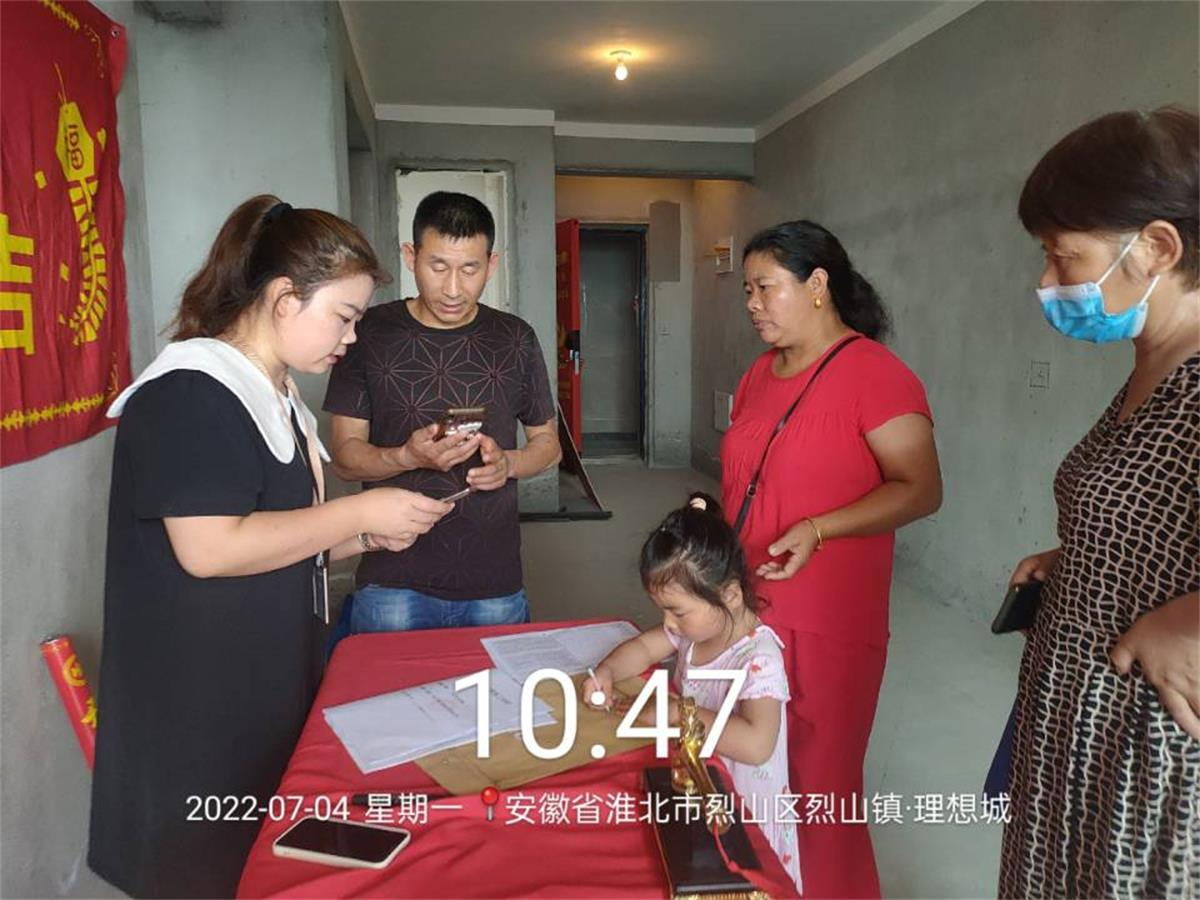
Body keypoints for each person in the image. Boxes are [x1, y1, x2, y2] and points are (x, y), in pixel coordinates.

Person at [88, 195, 452, 898]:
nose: (350, 338)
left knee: (262, 859)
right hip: (199, 701)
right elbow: (210, 549)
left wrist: (359, 535)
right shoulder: (190, 393)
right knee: (207, 866)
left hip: (263, 677)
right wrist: (358, 508)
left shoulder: (275, 393)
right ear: (285, 298)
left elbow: (278, 536)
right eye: (343, 317)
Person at [1000, 107, 1198, 898]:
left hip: (1151, 758)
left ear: (1157, 247)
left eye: (1065, 256)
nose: (1048, 282)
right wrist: (1080, 552)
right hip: (1080, 726)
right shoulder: (1154, 363)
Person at [722, 220, 943, 898]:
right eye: (748, 290)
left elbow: (921, 488)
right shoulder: (758, 374)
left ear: (817, 284)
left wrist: (821, 528)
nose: (753, 303)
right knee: (743, 775)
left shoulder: (877, 375)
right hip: (743, 611)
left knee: (819, 789)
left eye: (765, 287)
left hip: (827, 619)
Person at [325, 191, 560, 632]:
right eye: (438, 267)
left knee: (494, 680)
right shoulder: (368, 334)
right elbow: (344, 458)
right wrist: (406, 456)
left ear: (491, 264)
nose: (453, 289)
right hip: (391, 576)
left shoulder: (515, 338)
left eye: (470, 269)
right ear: (410, 256)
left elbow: (549, 445)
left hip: (493, 579)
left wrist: (508, 464)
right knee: (384, 679)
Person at [583, 493, 800, 892]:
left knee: (737, 881)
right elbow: (644, 647)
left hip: (745, 806)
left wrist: (677, 714)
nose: (669, 623)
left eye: (677, 611)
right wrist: (607, 672)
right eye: (663, 611)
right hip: (700, 783)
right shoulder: (693, 631)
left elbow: (756, 745)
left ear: (730, 595)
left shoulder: (759, 657)